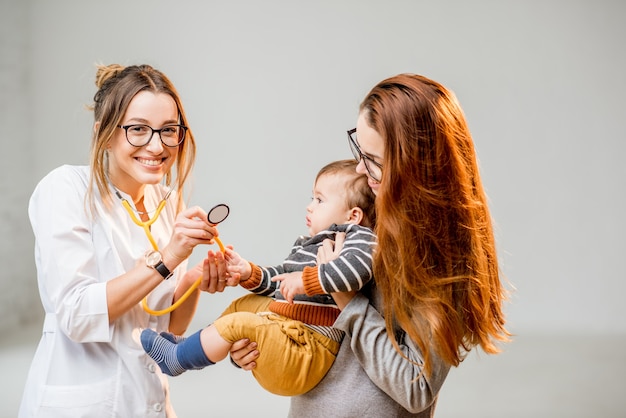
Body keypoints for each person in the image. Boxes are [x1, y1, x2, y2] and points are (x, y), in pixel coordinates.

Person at [223, 73, 510, 417]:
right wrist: (259, 347)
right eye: (358, 148)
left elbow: (416, 388)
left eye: (373, 159)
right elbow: (315, 329)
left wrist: (347, 299)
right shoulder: (362, 218)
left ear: (414, 165)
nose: (360, 167)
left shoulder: (439, 261)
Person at [18, 64, 235, 417]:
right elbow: (75, 314)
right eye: (138, 130)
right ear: (103, 132)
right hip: (83, 406)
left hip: (148, 402)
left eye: (169, 130)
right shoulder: (64, 189)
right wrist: (168, 257)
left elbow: (165, 327)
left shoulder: (165, 201)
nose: (157, 145)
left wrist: (195, 276)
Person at [141, 159, 377, 396]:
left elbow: (355, 272)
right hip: (288, 329)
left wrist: (306, 281)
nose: (309, 207)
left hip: (309, 348)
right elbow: (281, 281)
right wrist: (248, 272)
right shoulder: (309, 244)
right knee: (242, 306)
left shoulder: (359, 238)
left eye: (319, 200)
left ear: (352, 216)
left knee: (241, 322)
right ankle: (193, 346)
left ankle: (178, 359)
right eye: (311, 198)